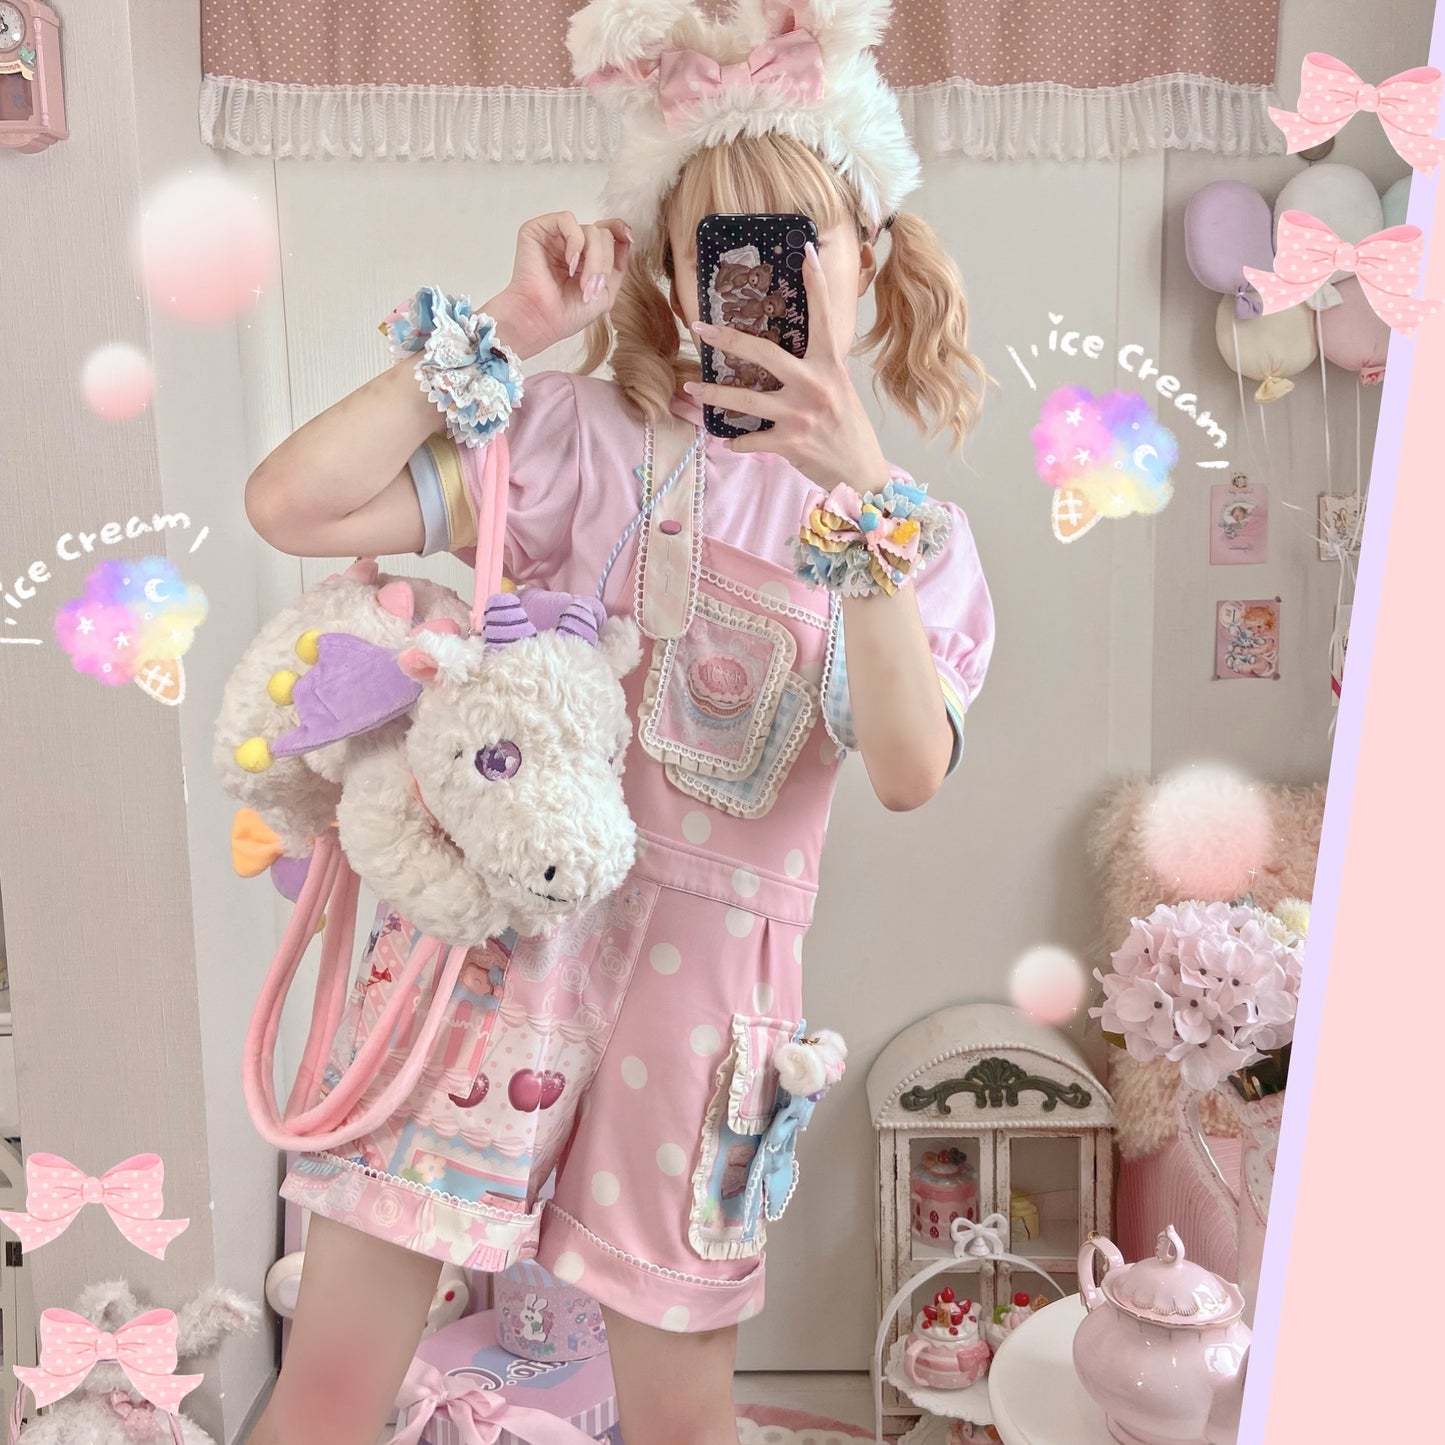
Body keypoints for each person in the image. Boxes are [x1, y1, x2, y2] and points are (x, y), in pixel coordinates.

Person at [241, 3, 994, 1442]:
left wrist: (860, 493)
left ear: (873, 251)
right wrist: (518, 327)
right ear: (673, 274)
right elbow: (292, 503)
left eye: (801, 244)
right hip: (486, 962)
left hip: (701, 1014)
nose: (760, 285)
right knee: (329, 1388)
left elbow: (908, 770)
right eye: (723, 251)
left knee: (680, 1426)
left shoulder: (918, 544)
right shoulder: (577, 439)